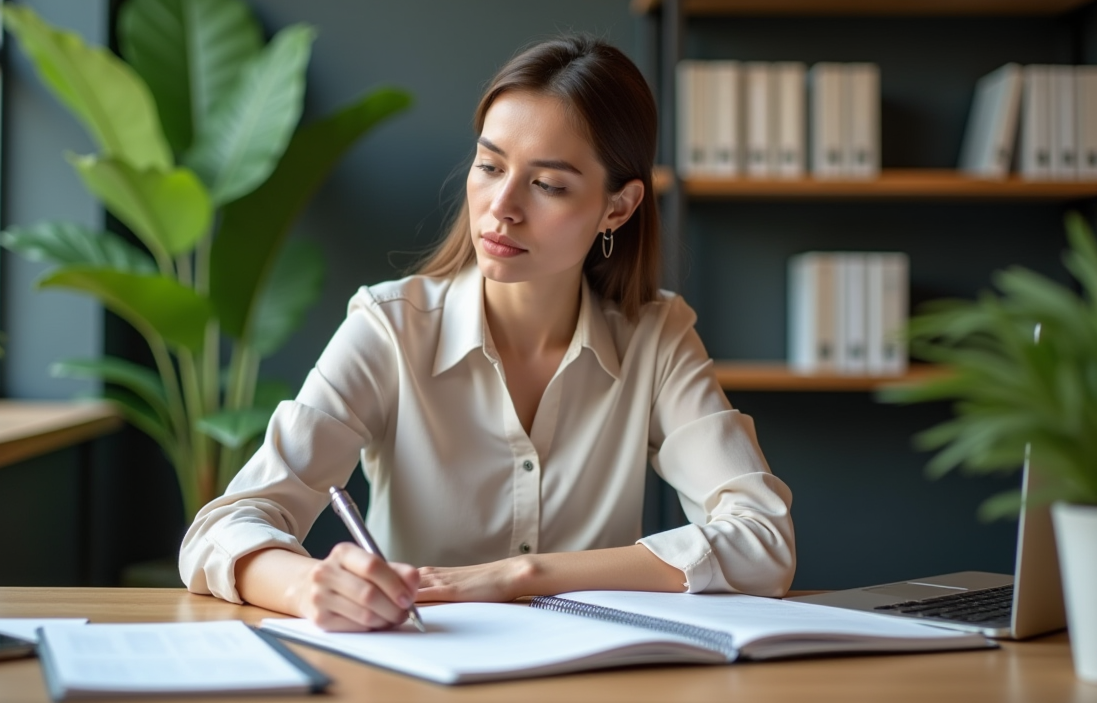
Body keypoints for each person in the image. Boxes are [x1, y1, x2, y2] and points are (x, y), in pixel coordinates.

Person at [179, 35, 795, 632]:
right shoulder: (390, 328)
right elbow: (224, 527)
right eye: (489, 165)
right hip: (422, 675)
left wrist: (522, 575)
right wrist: (309, 587)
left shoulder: (656, 337)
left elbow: (763, 538)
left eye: (548, 184)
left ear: (619, 207)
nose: (502, 205)